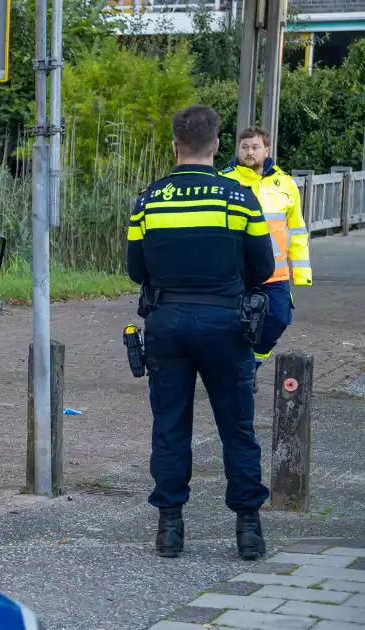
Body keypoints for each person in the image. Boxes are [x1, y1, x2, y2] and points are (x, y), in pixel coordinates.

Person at [126, 104, 275, 560]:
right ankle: (248, 529)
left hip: (167, 324)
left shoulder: (148, 200)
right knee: (237, 427)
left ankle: (169, 529)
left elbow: (136, 271)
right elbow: (264, 267)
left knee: (170, 427)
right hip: (226, 325)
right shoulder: (238, 198)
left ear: (175, 146)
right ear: (216, 145)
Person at [220, 128, 313, 391]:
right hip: (236, 272)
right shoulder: (224, 182)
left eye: (255, 147)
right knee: (234, 325)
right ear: (238, 150)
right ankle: (237, 372)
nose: (250, 152)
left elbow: (297, 230)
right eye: (245, 147)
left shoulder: (285, 184)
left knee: (278, 320)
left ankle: (249, 366)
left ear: (267, 150)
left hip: (276, 273)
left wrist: (303, 271)